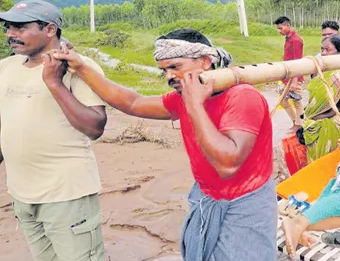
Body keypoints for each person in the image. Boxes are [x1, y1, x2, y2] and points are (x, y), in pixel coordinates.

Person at [52, 29, 277, 261]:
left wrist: (194, 105)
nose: (169, 76)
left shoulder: (241, 96)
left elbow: (227, 164)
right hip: (206, 197)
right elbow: (134, 102)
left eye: (175, 67)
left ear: (205, 62)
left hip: (244, 206)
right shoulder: (185, 98)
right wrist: (81, 68)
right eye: (164, 70)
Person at [0, 0, 108, 261]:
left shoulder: (78, 67)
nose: (10, 34)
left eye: (20, 27)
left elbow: (94, 127)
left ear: (49, 30)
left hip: (66, 195)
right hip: (21, 194)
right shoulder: (6, 66)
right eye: (8, 27)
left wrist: (54, 82)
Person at [302, 35, 340, 162]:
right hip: (312, 127)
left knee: (327, 166)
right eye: (322, 49)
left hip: (330, 128)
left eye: (328, 50)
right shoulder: (317, 71)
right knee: (313, 166)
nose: (323, 53)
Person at [275, 16, 305, 132]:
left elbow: (297, 61)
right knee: (283, 100)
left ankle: (299, 125)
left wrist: (294, 81)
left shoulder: (296, 40)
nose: (279, 31)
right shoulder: (288, 38)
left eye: (281, 28)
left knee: (297, 101)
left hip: (294, 76)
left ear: (288, 26)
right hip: (287, 76)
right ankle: (295, 121)